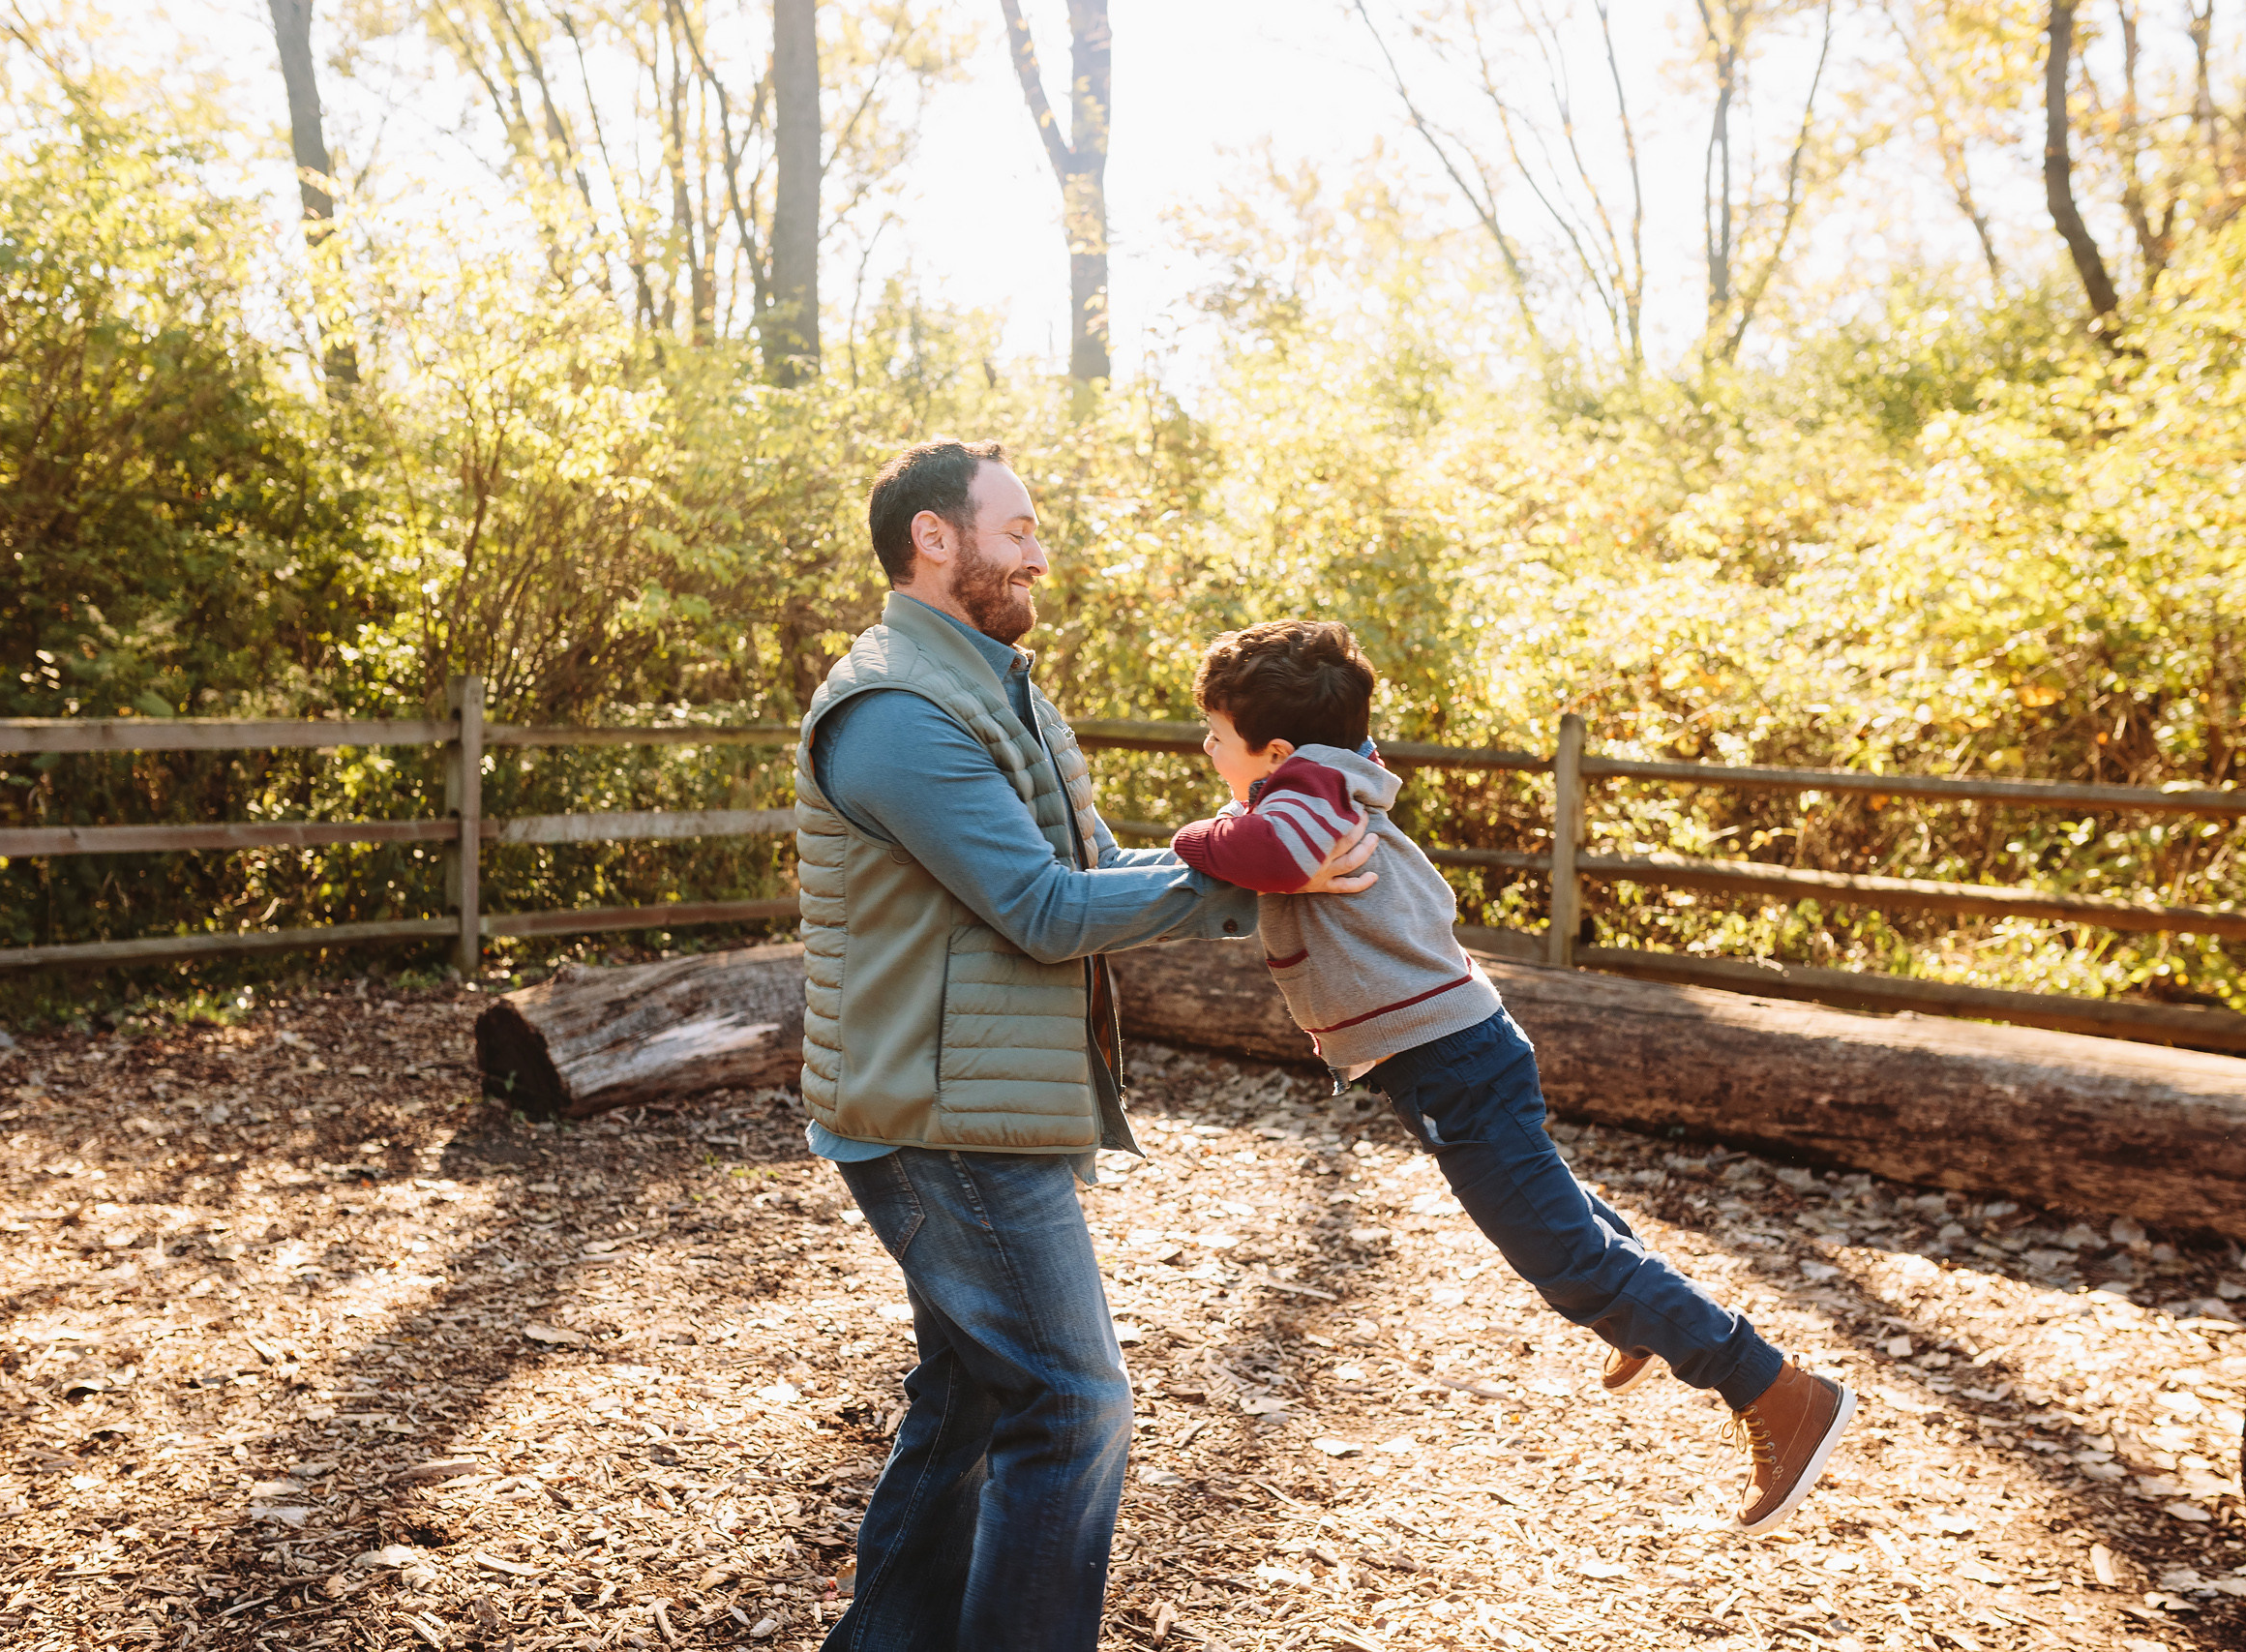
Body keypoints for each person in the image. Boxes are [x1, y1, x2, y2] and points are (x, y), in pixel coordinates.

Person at [795, 440, 1380, 1652]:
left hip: (976, 1098)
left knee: (970, 1405)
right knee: (1074, 1404)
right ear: (934, 541)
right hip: (935, 1116)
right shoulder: (898, 712)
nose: (1040, 553)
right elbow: (1044, 911)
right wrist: (1261, 863)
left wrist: (1266, 865)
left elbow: (1099, 866)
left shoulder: (995, 686)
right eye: (1015, 530)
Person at [1168, 618, 1859, 1535]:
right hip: (1456, 1050)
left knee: (1562, 1256)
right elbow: (1288, 836)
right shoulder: (1331, 778)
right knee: (1556, 1213)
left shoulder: (1305, 794)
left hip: (1449, 1059)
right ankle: (1634, 1317)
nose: (1207, 749)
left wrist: (1197, 834)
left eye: (1216, 736)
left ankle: (1775, 1390)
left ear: (1280, 750)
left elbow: (1263, 851)